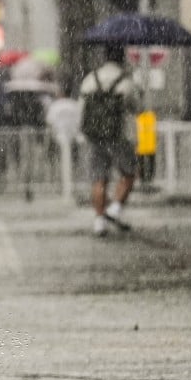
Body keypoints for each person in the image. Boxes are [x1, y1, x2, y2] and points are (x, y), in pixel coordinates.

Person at [79, 44, 139, 237]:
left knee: (99, 178)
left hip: (95, 136)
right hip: (118, 134)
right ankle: (114, 209)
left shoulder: (90, 79)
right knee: (129, 173)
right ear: (122, 58)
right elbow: (137, 107)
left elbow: (82, 109)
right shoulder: (125, 81)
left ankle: (99, 221)